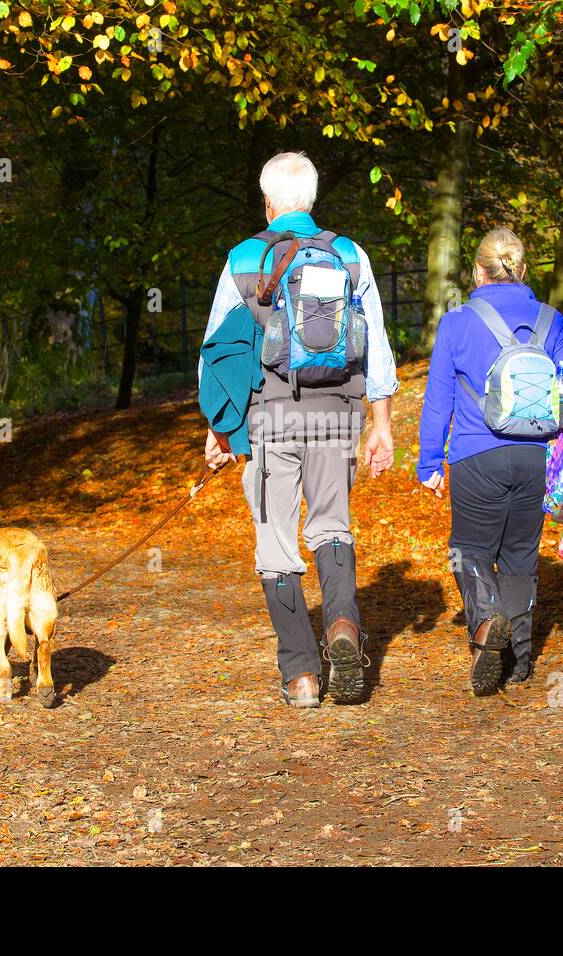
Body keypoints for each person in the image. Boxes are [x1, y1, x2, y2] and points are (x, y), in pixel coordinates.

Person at [200, 152, 398, 708]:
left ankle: (302, 677)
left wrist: (219, 429)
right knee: (333, 526)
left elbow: (218, 352)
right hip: (339, 413)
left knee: (277, 542)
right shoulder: (350, 255)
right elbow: (376, 349)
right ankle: (342, 626)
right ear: (311, 200)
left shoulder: (243, 258)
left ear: (268, 202)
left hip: (272, 419)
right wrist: (381, 426)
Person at [417, 228, 563, 695]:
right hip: (535, 456)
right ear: (522, 267)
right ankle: (518, 660)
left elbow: (437, 400)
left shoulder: (458, 322)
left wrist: (430, 462)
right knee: (519, 556)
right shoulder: (549, 320)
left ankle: (485, 618)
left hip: (477, 454)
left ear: (478, 270)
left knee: (469, 550)